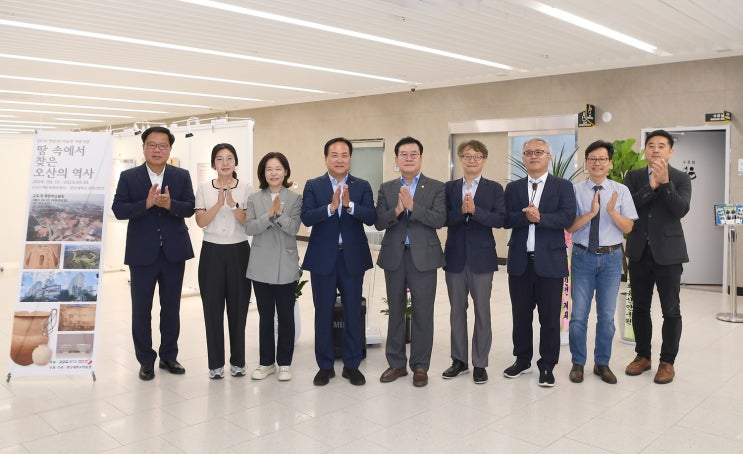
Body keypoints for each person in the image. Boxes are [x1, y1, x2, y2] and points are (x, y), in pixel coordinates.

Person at [112, 126, 195, 381]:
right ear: (144, 147)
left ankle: (169, 356)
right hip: (142, 254)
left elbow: (190, 207)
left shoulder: (181, 175)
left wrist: (170, 205)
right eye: (152, 145)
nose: (157, 150)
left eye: (162, 145)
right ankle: (146, 360)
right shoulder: (129, 176)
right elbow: (118, 209)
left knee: (171, 308)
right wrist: (145, 204)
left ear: (169, 149)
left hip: (174, 253)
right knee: (141, 310)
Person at [301, 137, 377, 387]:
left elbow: (371, 217)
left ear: (350, 159)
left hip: (352, 258)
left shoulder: (362, 185)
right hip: (323, 258)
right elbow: (307, 217)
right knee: (323, 312)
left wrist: (350, 205)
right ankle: (325, 366)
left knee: (353, 312)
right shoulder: (314, 185)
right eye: (334, 155)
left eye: (344, 155)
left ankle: (352, 365)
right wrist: (331, 208)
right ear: (326, 159)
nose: (340, 159)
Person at [503, 137, 576, 387]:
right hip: (520, 263)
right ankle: (522, 360)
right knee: (521, 316)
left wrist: (540, 217)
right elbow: (506, 219)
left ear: (549, 156)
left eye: (539, 152)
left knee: (549, 318)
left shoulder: (563, 186)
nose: (533, 156)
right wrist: (527, 217)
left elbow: (567, 218)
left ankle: (547, 365)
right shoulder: (513, 188)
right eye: (528, 152)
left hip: (551, 263)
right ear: (523, 158)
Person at [376, 136, 446, 388]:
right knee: (395, 311)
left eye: (413, 154)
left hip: (424, 258)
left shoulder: (436, 187)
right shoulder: (386, 188)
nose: (408, 158)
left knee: (423, 313)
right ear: (396, 159)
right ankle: (396, 363)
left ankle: (420, 366)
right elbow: (379, 222)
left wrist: (413, 207)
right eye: (403, 154)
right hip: (394, 257)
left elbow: (440, 219)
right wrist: (397, 210)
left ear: (421, 158)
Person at [566, 140, 637, 385]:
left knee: (606, 316)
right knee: (579, 315)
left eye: (602, 159)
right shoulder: (575, 190)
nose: (597, 163)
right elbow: (569, 227)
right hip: (583, 256)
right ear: (586, 162)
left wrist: (612, 211)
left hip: (612, 258)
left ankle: (602, 363)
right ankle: (578, 363)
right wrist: (591, 214)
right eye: (593, 159)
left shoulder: (621, 191)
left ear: (610, 163)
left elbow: (629, 227)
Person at [623, 129, 691, 384]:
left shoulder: (681, 178)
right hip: (639, 252)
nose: (655, 149)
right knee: (640, 307)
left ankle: (667, 362)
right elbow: (628, 207)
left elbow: (681, 209)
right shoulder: (633, 176)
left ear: (670, 151)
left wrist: (665, 183)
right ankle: (643, 356)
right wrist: (650, 186)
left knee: (671, 310)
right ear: (645, 150)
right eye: (651, 145)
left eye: (661, 145)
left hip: (669, 254)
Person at [442, 140, 505, 384]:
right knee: (456, 311)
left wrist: (475, 211)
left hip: (482, 258)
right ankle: (459, 360)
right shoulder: (449, 188)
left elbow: (499, 220)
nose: (472, 160)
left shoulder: (494, 189)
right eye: (467, 155)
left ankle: (480, 362)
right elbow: (443, 218)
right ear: (460, 159)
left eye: (477, 156)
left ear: (484, 160)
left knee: (482, 311)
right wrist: (462, 211)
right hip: (455, 257)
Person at [194, 143, 252, 380]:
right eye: (220, 159)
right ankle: (215, 364)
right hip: (212, 252)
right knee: (213, 310)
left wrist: (232, 204)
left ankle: (238, 362)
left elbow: (248, 222)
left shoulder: (246, 188)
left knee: (239, 309)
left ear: (235, 162)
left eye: (229, 158)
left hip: (239, 251)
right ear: (213, 164)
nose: (225, 163)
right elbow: (200, 221)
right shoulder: (204, 188)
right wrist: (218, 203)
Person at [246, 152, 302, 382]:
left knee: (286, 316)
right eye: (269, 169)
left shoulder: (295, 198)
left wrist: (278, 216)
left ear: (285, 172)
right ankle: (266, 363)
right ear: (263, 173)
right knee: (265, 317)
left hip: (285, 264)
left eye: (278, 168)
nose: (273, 173)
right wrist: (268, 216)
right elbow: (249, 228)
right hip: (260, 265)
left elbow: (294, 228)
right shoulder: (254, 198)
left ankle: (285, 364)